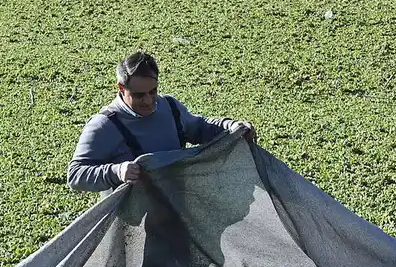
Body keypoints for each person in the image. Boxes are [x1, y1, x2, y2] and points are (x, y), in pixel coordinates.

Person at [66, 51, 256, 192]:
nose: (148, 101)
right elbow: (75, 175)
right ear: (122, 88)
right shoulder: (104, 126)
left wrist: (232, 127)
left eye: (153, 91)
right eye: (139, 95)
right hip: (131, 228)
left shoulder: (169, 107)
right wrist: (116, 171)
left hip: (178, 212)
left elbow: (200, 127)